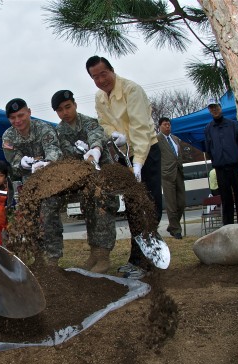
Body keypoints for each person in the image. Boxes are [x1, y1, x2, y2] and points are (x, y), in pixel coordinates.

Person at [86, 55, 162, 279]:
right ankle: (136, 260)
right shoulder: (100, 97)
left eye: (103, 74)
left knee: (149, 204)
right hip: (124, 153)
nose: (100, 80)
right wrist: (115, 135)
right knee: (132, 208)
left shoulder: (132, 90)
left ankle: (150, 259)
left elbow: (141, 129)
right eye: (95, 77)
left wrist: (138, 163)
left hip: (147, 150)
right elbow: (104, 124)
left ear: (112, 70)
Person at [51, 89, 118, 273]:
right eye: (60, 110)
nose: (65, 112)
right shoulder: (59, 132)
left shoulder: (89, 122)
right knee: (89, 212)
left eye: (68, 107)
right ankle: (95, 254)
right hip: (84, 181)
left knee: (103, 210)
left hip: (102, 175)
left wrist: (95, 150)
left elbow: (97, 136)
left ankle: (104, 256)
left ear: (75, 104)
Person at [2, 98, 64, 267]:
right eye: (13, 118)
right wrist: (21, 162)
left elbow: (53, 149)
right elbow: (11, 158)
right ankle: (37, 257)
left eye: (21, 115)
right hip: (27, 186)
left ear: (29, 112)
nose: (18, 121)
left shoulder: (43, 128)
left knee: (50, 217)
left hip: (48, 181)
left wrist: (48, 162)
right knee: (30, 220)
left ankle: (53, 258)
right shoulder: (8, 135)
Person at [203, 98, 238, 225]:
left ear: (220, 107)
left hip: (235, 166)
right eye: (211, 108)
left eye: (216, 107)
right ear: (209, 110)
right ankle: (227, 227)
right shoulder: (208, 129)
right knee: (226, 198)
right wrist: (216, 161)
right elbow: (209, 149)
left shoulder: (233, 124)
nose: (214, 109)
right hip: (220, 168)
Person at [156, 117, 186, 239]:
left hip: (178, 172)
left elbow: (178, 155)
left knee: (182, 202)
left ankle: (172, 225)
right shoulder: (157, 139)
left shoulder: (175, 139)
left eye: (169, 124)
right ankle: (176, 229)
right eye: (165, 124)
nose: (167, 126)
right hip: (166, 174)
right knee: (171, 203)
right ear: (160, 126)